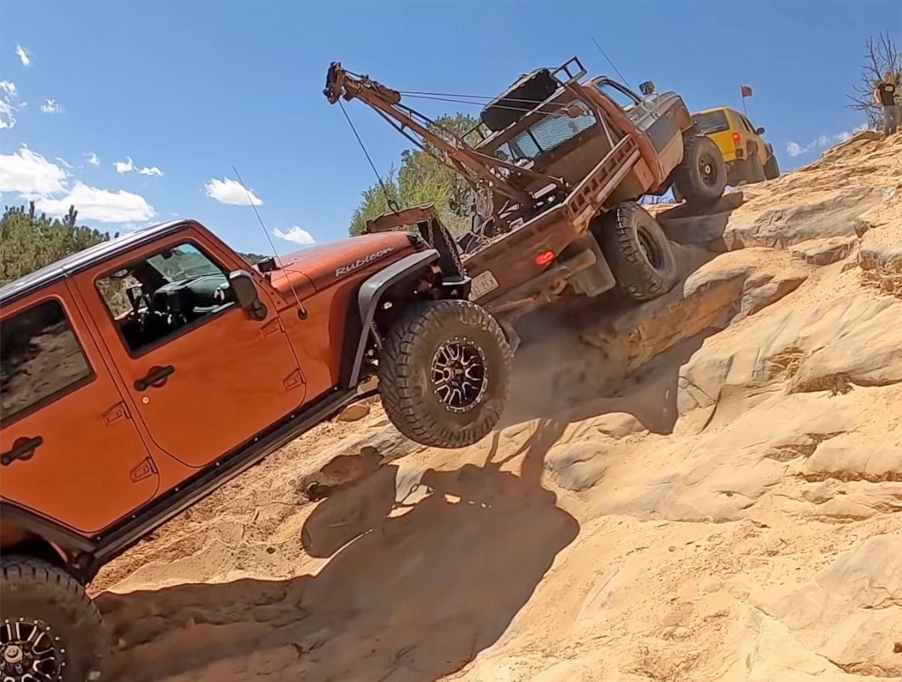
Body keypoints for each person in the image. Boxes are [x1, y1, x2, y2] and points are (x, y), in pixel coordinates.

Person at [875, 71, 899, 136]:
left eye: (890, 76)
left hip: (893, 105)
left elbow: (894, 94)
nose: (889, 78)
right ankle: (886, 133)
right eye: (887, 76)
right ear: (884, 77)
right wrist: (878, 101)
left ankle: (893, 133)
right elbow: (876, 93)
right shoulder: (881, 85)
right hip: (885, 105)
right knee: (887, 119)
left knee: (896, 118)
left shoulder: (892, 86)